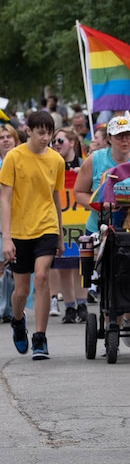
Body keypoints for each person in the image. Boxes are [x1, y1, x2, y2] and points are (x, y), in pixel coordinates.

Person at [74, 112, 130, 350]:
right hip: (104, 225)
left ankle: (128, 318)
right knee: (111, 274)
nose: (124, 140)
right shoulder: (96, 160)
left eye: (128, 135)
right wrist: (100, 204)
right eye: (119, 136)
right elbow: (79, 192)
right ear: (109, 138)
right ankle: (110, 322)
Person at [1, 110, 65, 359]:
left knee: (41, 277)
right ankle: (18, 321)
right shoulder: (13, 157)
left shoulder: (56, 160)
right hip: (19, 230)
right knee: (20, 291)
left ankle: (40, 338)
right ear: (28, 131)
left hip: (46, 226)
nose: (45, 137)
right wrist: (6, 237)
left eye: (49, 132)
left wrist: (59, 233)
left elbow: (56, 197)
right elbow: (4, 199)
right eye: (41, 132)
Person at [50, 127, 89, 324]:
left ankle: (82, 304)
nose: (56, 145)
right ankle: (70, 307)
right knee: (63, 266)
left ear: (72, 143)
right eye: (54, 142)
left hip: (81, 222)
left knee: (82, 264)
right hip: (60, 222)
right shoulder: (50, 163)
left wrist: (81, 174)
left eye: (60, 141)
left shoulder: (84, 164)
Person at [0, 124, 21, 324]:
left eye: (9, 136)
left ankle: (8, 309)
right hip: (2, 221)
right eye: (1, 137)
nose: (5, 140)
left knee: (11, 269)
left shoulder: (22, 162)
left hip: (22, 221)